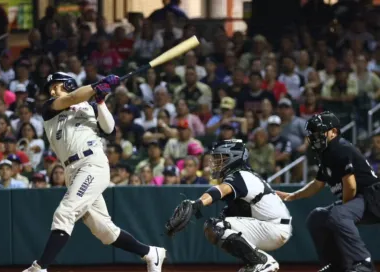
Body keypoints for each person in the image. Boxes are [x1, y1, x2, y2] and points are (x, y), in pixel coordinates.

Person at [23, 72, 166, 272]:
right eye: (50, 88)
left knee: (65, 212)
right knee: (105, 231)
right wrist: (96, 85)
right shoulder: (50, 107)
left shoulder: (89, 106)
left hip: (92, 163)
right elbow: (72, 98)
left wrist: (99, 101)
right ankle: (151, 253)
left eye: (57, 85)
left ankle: (40, 267)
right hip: (71, 170)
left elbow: (110, 131)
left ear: (69, 84)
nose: (52, 90)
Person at [165, 139, 292, 272]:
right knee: (223, 220)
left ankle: (262, 262)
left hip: (273, 227)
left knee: (216, 227)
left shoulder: (240, 175)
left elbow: (220, 190)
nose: (215, 162)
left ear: (234, 158)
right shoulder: (245, 175)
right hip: (271, 226)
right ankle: (255, 263)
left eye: (221, 158)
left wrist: (197, 204)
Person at [276, 111, 380, 272]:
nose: (315, 137)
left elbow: (351, 186)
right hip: (360, 200)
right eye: (313, 134)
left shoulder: (339, 147)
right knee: (317, 217)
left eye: (319, 132)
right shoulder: (326, 153)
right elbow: (317, 184)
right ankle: (337, 265)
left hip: (372, 197)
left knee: (338, 214)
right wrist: (293, 195)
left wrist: (343, 209)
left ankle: (362, 264)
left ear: (334, 132)